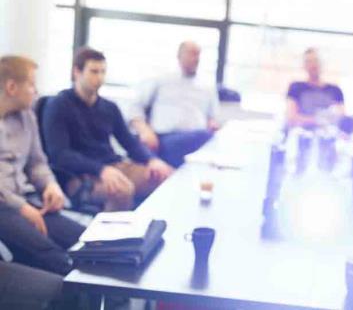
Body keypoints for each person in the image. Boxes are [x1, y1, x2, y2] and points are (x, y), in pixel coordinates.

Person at [42, 47, 173, 212]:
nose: (99, 78)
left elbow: (129, 142)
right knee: (121, 190)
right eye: (94, 72)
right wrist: (100, 170)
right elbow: (60, 155)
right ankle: (109, 230)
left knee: (167, 177)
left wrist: (151, 160)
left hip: (113, 166)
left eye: (103, 72)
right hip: (78, 176)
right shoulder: (58, 105)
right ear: (77, 72)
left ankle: (149, 227)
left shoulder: (109, 107)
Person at [0, 56, 84, 275]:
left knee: (87, 240)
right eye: (31, 84)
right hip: (4, 207)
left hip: (29, 200)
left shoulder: (27, 116)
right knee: (55, 257)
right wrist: (21, 207)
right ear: (11, 87)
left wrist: (50, 186)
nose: (36, 91)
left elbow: (37, 163)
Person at [129, 41, 220, 168]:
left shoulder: (207, 85)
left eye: (198, 54)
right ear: (179, 55)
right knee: (203, 137)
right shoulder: (161, 78)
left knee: (211, 140)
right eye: (191, 54)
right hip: (164, 138)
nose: (196, 59)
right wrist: (145, 131)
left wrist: (212, 123)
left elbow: (213, 117)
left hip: (196, 140)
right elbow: (135, 107)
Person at [285, 48, 345, 129]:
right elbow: (291, 118)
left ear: (322, 64)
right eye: (309, 61)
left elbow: (342, 118)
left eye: (316, 61)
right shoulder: (296, 87)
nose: (313, 65)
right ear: (304, 66)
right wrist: (318, 120)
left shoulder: (335, 90)